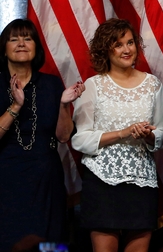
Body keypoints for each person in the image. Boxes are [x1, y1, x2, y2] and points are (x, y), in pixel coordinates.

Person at [71, 18, 163, 251]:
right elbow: (80, 139)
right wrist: (123, 133)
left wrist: (148, 135)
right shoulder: (93, 85)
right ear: (106, 49)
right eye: (118, 44)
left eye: (130, 43)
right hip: (102, 182)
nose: (126, 50)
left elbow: (162, 133)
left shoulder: (153, 84)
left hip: (142, 182)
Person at [0, 19, 84, 250]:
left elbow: (64, 136)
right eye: (14, 39)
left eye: (28, 38)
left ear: (36, 46)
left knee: (48, 242)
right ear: (4, 48)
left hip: (46, 179)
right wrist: (15, 107)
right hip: (5, 178)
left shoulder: (51, 84)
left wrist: (63, 105)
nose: (21, 44)